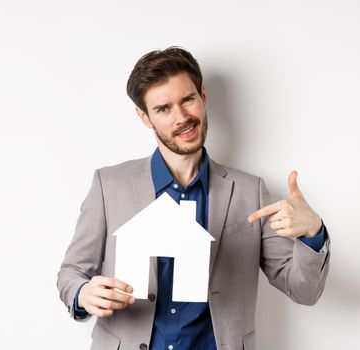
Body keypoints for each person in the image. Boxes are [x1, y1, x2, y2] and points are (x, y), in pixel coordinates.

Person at [57, 47, 330, 350]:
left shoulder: (249, 191)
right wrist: (82, 293)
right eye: (163, 109)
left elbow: (304, 291)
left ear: (203, 96)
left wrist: (312, 233)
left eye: (188, 100)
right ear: (144, 116)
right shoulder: (109, 185)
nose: (182, 118)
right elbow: (72, 272)